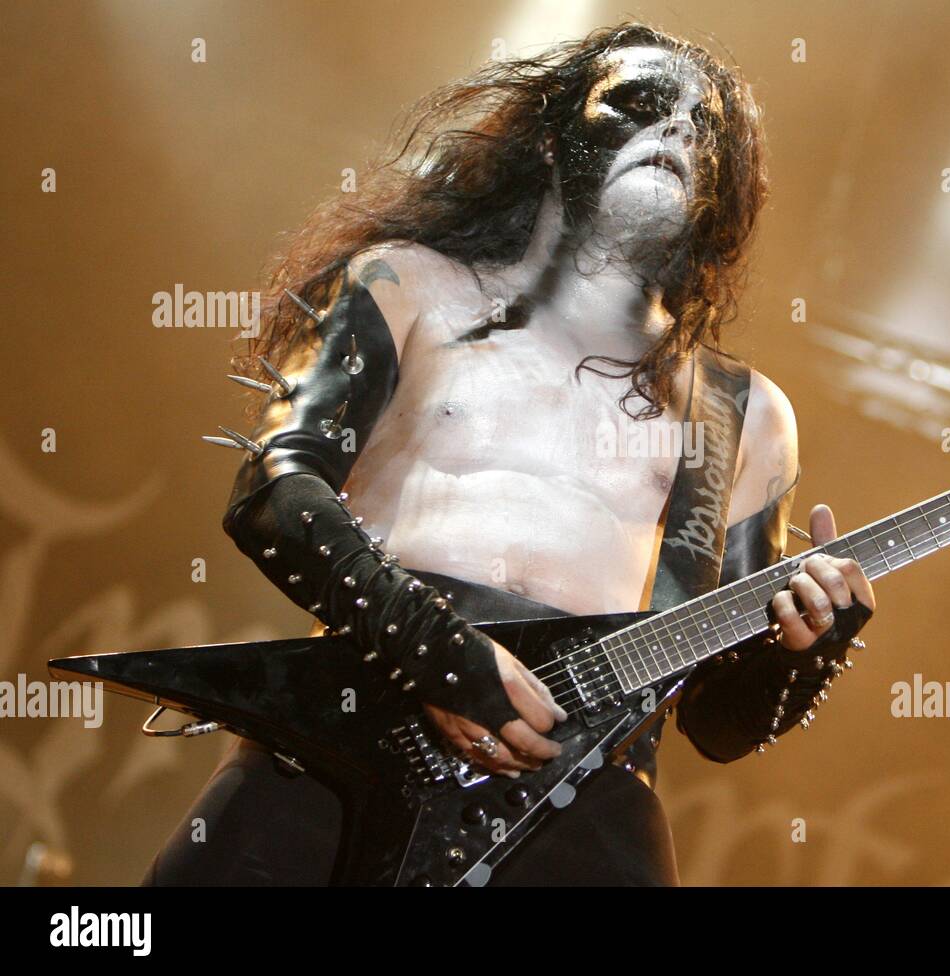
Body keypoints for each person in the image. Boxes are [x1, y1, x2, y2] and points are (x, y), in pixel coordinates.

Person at [144, 21, 875, 887]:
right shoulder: (405, 283)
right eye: (639, 104)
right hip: (349, 746)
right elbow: (273, 489)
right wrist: (437, 654)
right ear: (558, 136)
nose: (678, 129)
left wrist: (807, 645)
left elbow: (720, 724)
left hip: (585, 795)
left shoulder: (746, 413)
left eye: (703, 127)